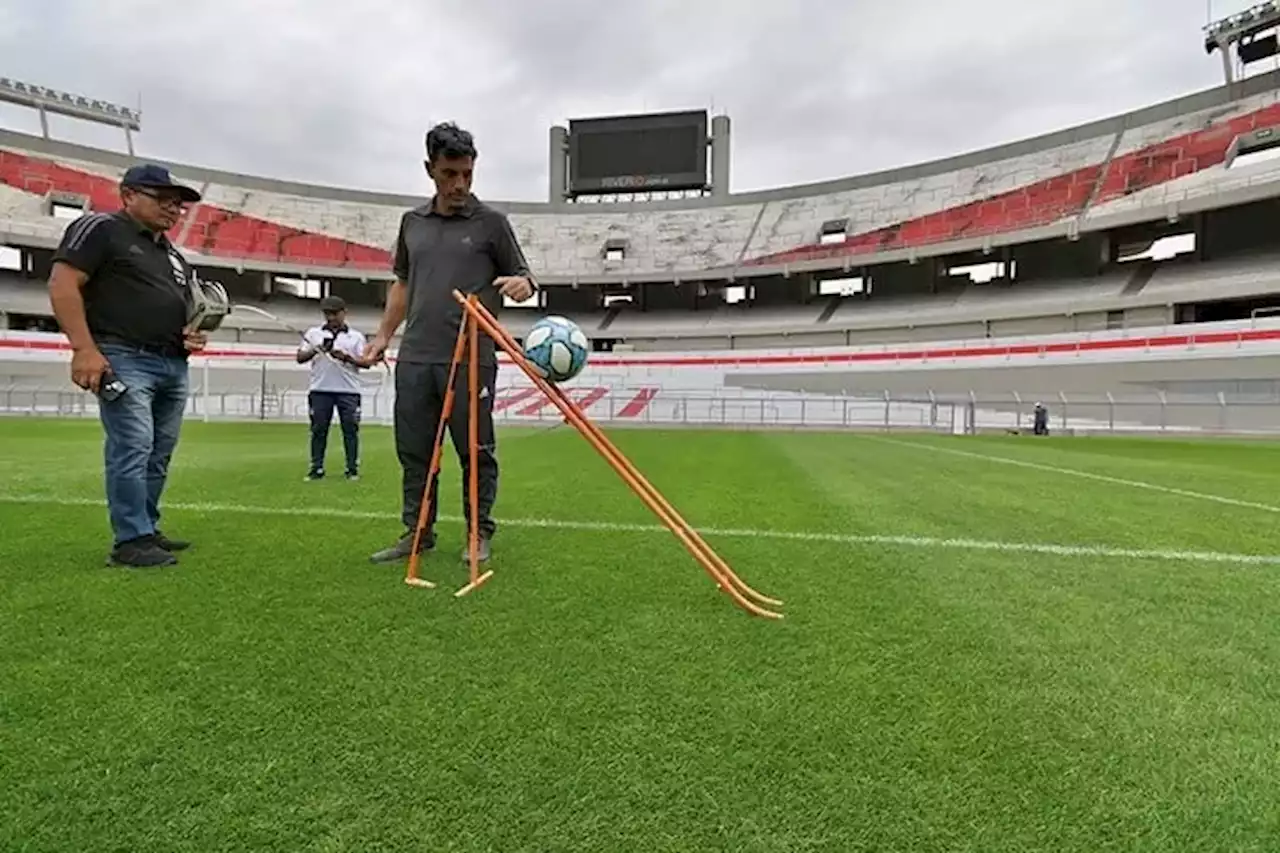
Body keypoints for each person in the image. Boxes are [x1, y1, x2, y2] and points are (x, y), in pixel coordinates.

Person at [362, 122, 536, 565]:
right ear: (430, 170)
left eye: (467, 174)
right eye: (449, 174)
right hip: (417, 356)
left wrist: (521, 285)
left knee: (475, 450)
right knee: (415, 450)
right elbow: (402, 284)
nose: (459, 184)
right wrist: (384, 336)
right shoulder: (412, 223)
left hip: (471, 357)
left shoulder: (492, 223)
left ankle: (479, 532)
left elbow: (525, 277)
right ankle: (417, 532)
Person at [46, 163, 208, 568]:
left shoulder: (171, 254)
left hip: (172, 360)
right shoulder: (99, 229)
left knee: (159, 451)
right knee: (133, 446)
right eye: (164, 200)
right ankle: (130, 540)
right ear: (128, 195)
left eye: (179, 205)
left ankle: (146, 528)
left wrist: (190, 334)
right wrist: (83, 348)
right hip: (123, 355)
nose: (174, 210)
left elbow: (180, 306)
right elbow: (63, 283)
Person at [298, 295, 368, 481]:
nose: (330, 318)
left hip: (349, 390)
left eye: (334, 313)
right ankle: (317, 467)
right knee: (319, 429)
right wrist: (317, 349)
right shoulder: (314, 334)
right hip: (320, 389)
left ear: (344, 313)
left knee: (350, 430)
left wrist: (345, 357)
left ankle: (352, 468)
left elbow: (365, 362)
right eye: (327, 313)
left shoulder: (356, 337)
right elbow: (300, 357)